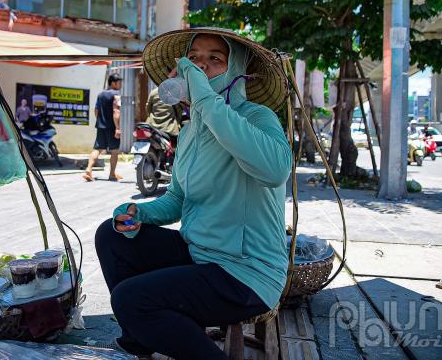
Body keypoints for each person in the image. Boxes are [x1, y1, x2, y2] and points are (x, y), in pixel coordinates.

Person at [95, 29, 292, 360]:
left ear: (236, 72)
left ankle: (156, 327)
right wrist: (138, 213)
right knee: (111, 236)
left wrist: (203, 97)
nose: (199, 68)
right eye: (194, 59)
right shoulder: (189, 132)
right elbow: (178, 200)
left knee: (131, 299)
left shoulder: (257, 118)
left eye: (215, 59)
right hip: (200, 253)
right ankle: (144, 335)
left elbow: (275, 170)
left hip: (246, 273)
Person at [83, 73, 123, 182]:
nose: (120, 85)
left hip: (101, 126)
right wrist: (118, 128)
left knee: (97, 149)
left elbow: (96, 111)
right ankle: (112, 174)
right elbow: (116, 112)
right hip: (112, 127)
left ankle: (88, 169)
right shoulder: (117, 95)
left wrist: (100, 121)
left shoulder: (100, 94)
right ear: (113, 83)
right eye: (119, 82)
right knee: (114, 151)